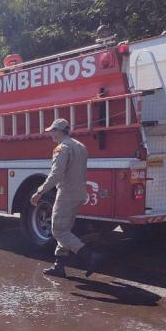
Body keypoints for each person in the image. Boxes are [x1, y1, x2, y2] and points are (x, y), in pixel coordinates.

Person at [30, 118, 100, 278]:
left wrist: (40, 191)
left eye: (53, 131)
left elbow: (56, 174)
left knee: (59, 230)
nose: (51, 134)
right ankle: (59, 266)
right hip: (80, 194)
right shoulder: (80, 146)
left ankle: (89, 256)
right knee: (65, 229)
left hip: (66, 194)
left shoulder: (62, 148)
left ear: (60, 131)